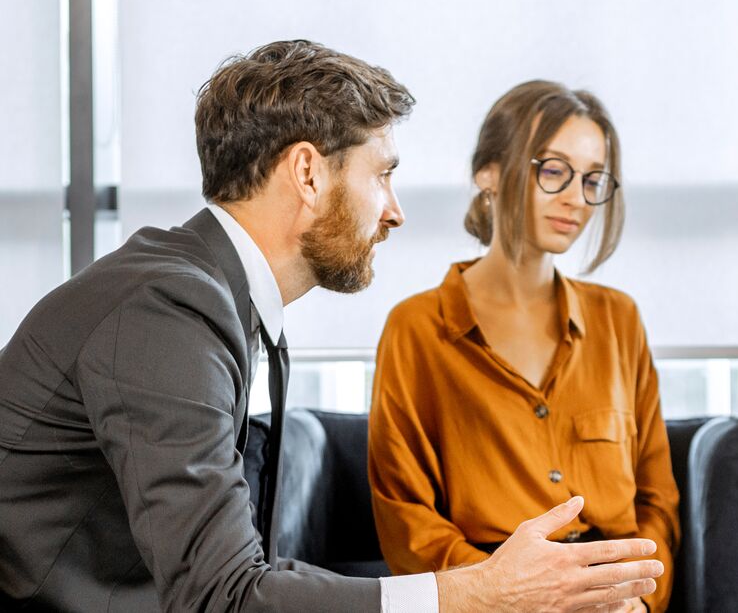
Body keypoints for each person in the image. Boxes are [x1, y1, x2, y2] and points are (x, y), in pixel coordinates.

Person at [0, 40, 663, 612]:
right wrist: (480, 590)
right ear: (309, 173)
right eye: (383, 175)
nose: (396, 212)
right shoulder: (168, 308)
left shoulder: (209, 297)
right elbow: (224, 594)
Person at [368, 80, 680, 612]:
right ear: (488, 173)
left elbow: (658, 499)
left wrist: (638, 598)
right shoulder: (417, 328)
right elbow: (406, 519)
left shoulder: (619, 319)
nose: (576, 199)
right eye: (554, 170)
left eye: (592, 179)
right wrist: (505, 596)